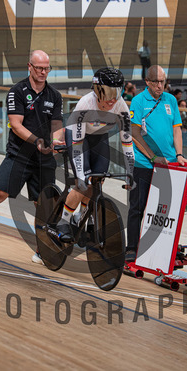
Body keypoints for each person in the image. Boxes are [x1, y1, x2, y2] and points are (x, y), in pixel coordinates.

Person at [0, 50, 63, 263]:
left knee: (43, 205)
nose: (43, 72)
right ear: (29, 67)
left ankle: (41, 250)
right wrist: (37, 141)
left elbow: (57, 125)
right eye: (39, 68)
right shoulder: (17, 91)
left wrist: (56, 141)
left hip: (44, 160)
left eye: (47, 68)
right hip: (19, 156)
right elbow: (16, 125)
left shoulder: (54, 95)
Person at [54, 68, 135, 242]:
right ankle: (64, 220)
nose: (113, 98)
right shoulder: (85, 103)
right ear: (98, 91)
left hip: (98, 136)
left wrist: (131, 171)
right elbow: (77, 143)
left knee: (97, 180)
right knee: (82, 183)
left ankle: (83, 214)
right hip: (77, 137)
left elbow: (127, 143)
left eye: (117, 92)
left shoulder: (121, 106)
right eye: (109, 92)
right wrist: (81, 176)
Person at [124, 65, 187, 262]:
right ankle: (132, 248)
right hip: (144, 164)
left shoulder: (170, 100)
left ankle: (163, 249)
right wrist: (152, 157)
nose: (160, 86)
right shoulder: (138, 101)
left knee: (165, 211)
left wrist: (179, 154)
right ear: (147, 82)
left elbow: (177, 129)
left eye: (163, 82)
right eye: (156, 82)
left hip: (168, 164)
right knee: (137, 207)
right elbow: (134, 133)